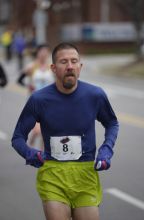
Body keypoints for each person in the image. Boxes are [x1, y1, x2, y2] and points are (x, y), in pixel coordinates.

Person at [11, 42, 119, 220]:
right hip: (52, 173)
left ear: (80, 66)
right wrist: (29, 153)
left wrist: (107, 149)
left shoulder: (95, 95)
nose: (70, 66)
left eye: (74, 61)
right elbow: (18, 137)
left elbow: (112, 123)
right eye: (63, 62)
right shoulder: (39, 99)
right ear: (53, 68)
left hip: (86, 174)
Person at [17, 43, 54, 149]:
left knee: (46, 131)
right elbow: (19, 80)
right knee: (38, 131)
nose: (44, 54)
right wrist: (28, 86)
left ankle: (42, 156)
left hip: (49, 102)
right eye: (42, 52)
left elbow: (58, 83)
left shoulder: (51, 67)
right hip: (35, 102)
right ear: (37, 53)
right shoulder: (31, 66)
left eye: (46, 52)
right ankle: (32, 141)